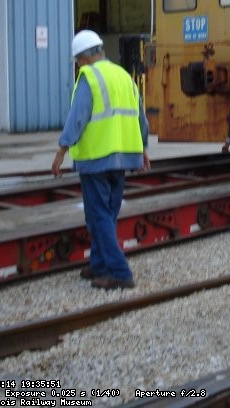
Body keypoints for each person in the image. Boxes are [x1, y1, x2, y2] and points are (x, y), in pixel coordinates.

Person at [51, 29, 150, 289]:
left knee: (99, 215)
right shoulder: (123, 75)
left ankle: (119, 272)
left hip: (97, 158)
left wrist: (62, 149)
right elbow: (140, 116)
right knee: (106, 215)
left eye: (76, 62)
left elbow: (78, 117)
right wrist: (144, 148)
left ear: (82, 58)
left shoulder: (89, 77)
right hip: (125, 157)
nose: (77, 66)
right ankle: (99, 264)